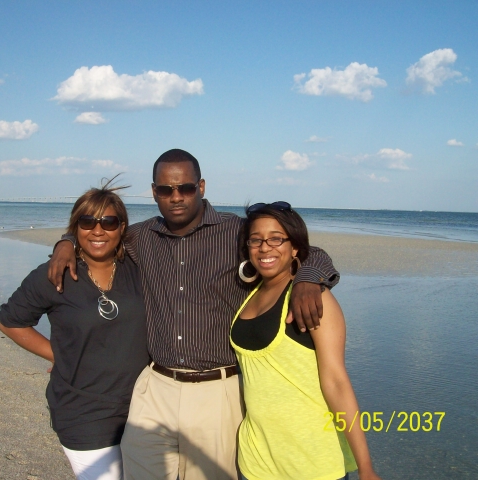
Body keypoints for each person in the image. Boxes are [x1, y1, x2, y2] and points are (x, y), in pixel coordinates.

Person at [47, 149, 340, 480]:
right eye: (165, 190)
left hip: (218, 391)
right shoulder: (141, 237)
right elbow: (99, 234)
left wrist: (307, 278)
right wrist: (67, 241)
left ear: (201, 187)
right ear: (154, 192)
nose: (176, 197)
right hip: (155, 388)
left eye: (185, 188)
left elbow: (310, 250)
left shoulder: (238, 232)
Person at [0, 179, 149, 480]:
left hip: (144, 410)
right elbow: (11, 321)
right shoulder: (55, 274)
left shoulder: (139, 269)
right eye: (87, 221)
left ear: (122, 228)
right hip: (83, 413)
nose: (98, 230)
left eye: (109, 222)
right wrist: (59, 354)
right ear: (76, 226)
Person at [231, 201, 380, 480]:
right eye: (256, 240)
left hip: (313, 461)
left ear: (295, 247)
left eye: (276, 239)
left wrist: (366, 467)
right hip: (256, 460)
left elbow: (336, 382)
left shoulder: (313, 299)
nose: (265, 248)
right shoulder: (250, 294)